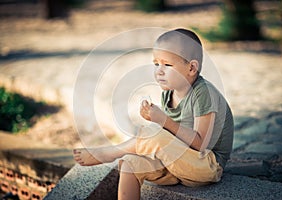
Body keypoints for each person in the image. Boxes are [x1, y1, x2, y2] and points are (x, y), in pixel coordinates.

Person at [73, 28, 234, 200]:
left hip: (206, 166)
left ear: (192, 68)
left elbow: (200, 143)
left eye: (167, 65)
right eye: (156, 64)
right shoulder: (169, 93)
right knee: (130, 163)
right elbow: (170, 136)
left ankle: (110, 153)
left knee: (154, 134)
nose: (159, 71)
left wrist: (163, 121)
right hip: (178, 164)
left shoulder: (203, 94)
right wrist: (155, 119)